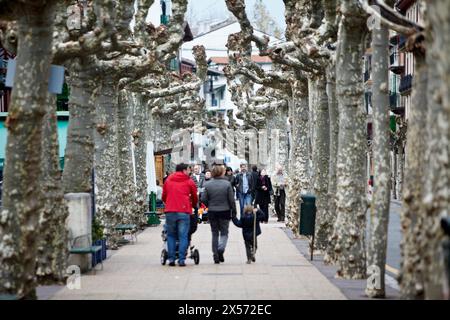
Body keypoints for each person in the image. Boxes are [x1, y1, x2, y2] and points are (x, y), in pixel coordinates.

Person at [162, 163, 198, 267]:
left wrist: (169, 202)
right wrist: (193, 204)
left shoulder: (168, 180)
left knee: (171, 235)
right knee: (183, 236)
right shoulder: (189, 181)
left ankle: (172, 259)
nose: (189, 171)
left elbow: (164, 195)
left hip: (170, 211)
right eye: (188, 170)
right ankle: (182, 260)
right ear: (183, 170)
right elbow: (195, 196)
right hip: (184, 211)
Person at [201, 164, 237, 264]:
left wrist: (210, 204)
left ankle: (215, 253)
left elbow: (203, 199)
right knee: (224, 232)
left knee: (214, 233)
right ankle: (221, 249)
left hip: (212, 211)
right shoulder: (227, 184)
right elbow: (231, 200)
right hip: (225, 211)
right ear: (222, 172)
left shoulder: (207, 185)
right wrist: (233, 211)